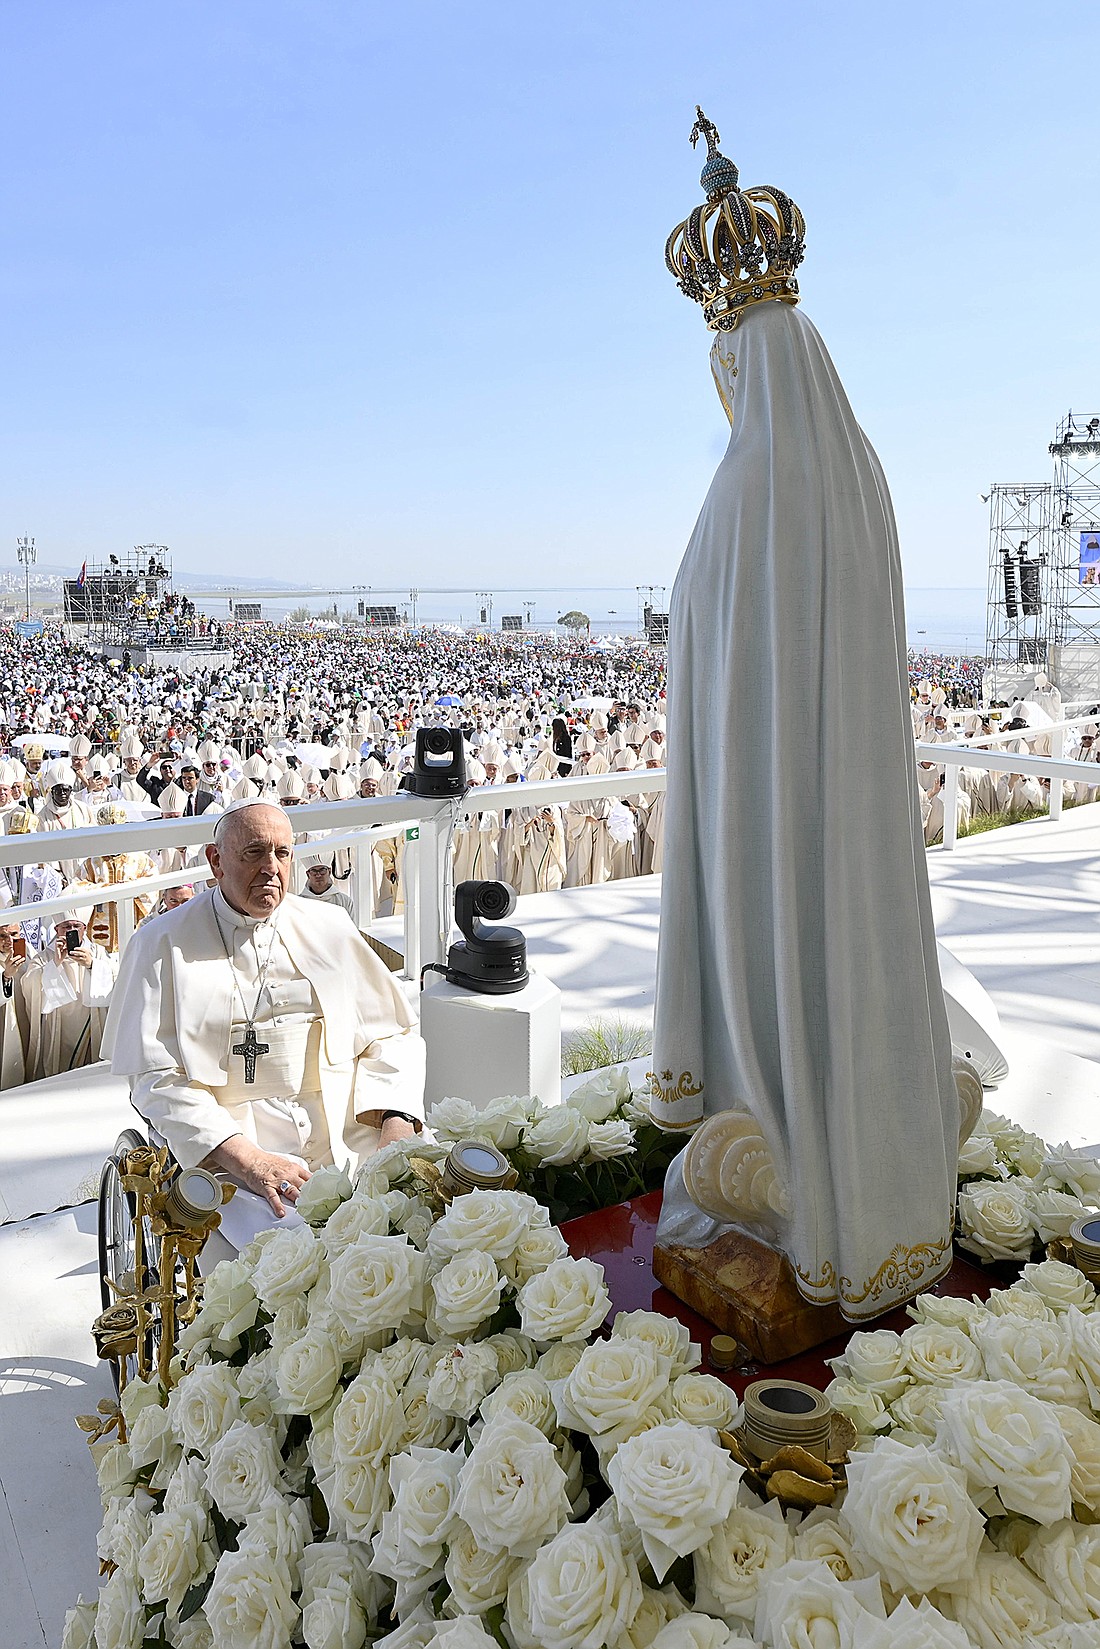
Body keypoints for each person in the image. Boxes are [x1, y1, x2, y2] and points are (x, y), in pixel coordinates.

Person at [651, 114, 961, 1322]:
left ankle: (791, 1195)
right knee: (853, 956)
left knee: (779, 976)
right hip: (854, 798)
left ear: (739, 354)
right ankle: (877, 1205)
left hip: (763, 811)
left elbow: (714, 661)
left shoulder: (744, 492)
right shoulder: (857, 468)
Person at [104, 801, 425, 1244]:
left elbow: (392, 1034)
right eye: (253, 852)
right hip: (235, 1152)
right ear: (215, 861)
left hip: (351, 1131)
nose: (271, 867)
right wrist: (249, 1161)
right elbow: (155, 1078)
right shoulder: (160, 942)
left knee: (425, 1220)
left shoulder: (330, 925)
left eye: (283, 853)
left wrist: (395, 1124)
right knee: (289, 1256)